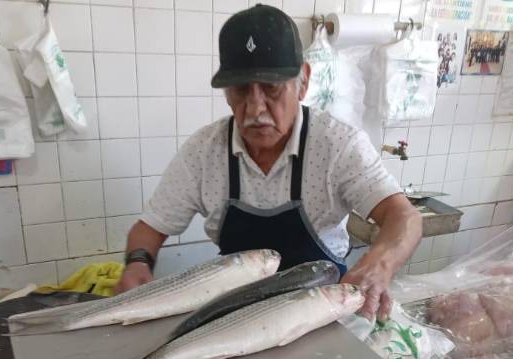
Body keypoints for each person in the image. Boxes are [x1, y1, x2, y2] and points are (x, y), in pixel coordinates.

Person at [115, 4, 422, 321]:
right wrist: (138, 262)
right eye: (241, 90)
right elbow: (147, 230)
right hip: (234, 314)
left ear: (302, 81)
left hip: (320, 311)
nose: (255, 109)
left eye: (271, 89)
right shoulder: (203, 152)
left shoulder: (339, 146)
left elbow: (405, 217)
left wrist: (379, 265)